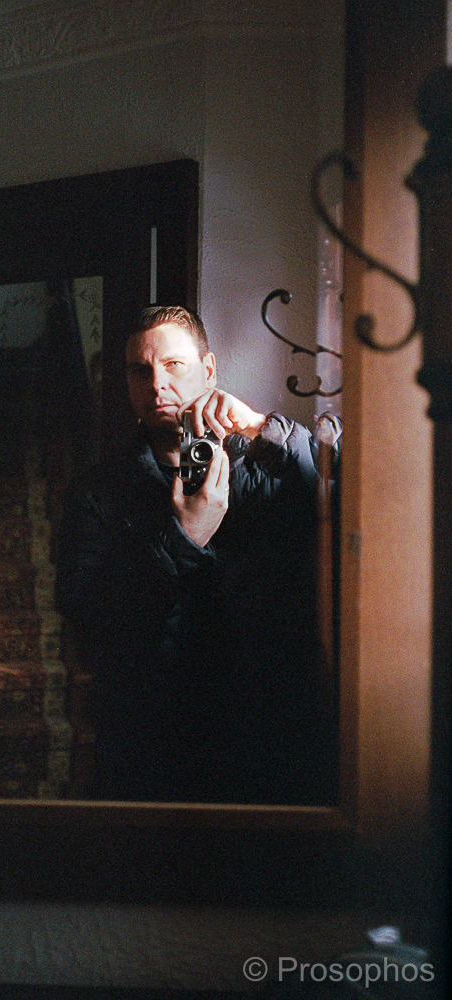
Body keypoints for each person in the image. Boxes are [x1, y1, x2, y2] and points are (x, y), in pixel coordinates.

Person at [55, 305, 336, 803]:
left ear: (208, 370)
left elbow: (349, 501)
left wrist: (262, 428)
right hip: (154, 745)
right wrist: (185, 536)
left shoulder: (266, 465)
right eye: (139, 371)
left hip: (267, 740)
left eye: (173, 365)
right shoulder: (97, 492)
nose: (157, 385)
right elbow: (93, 619)